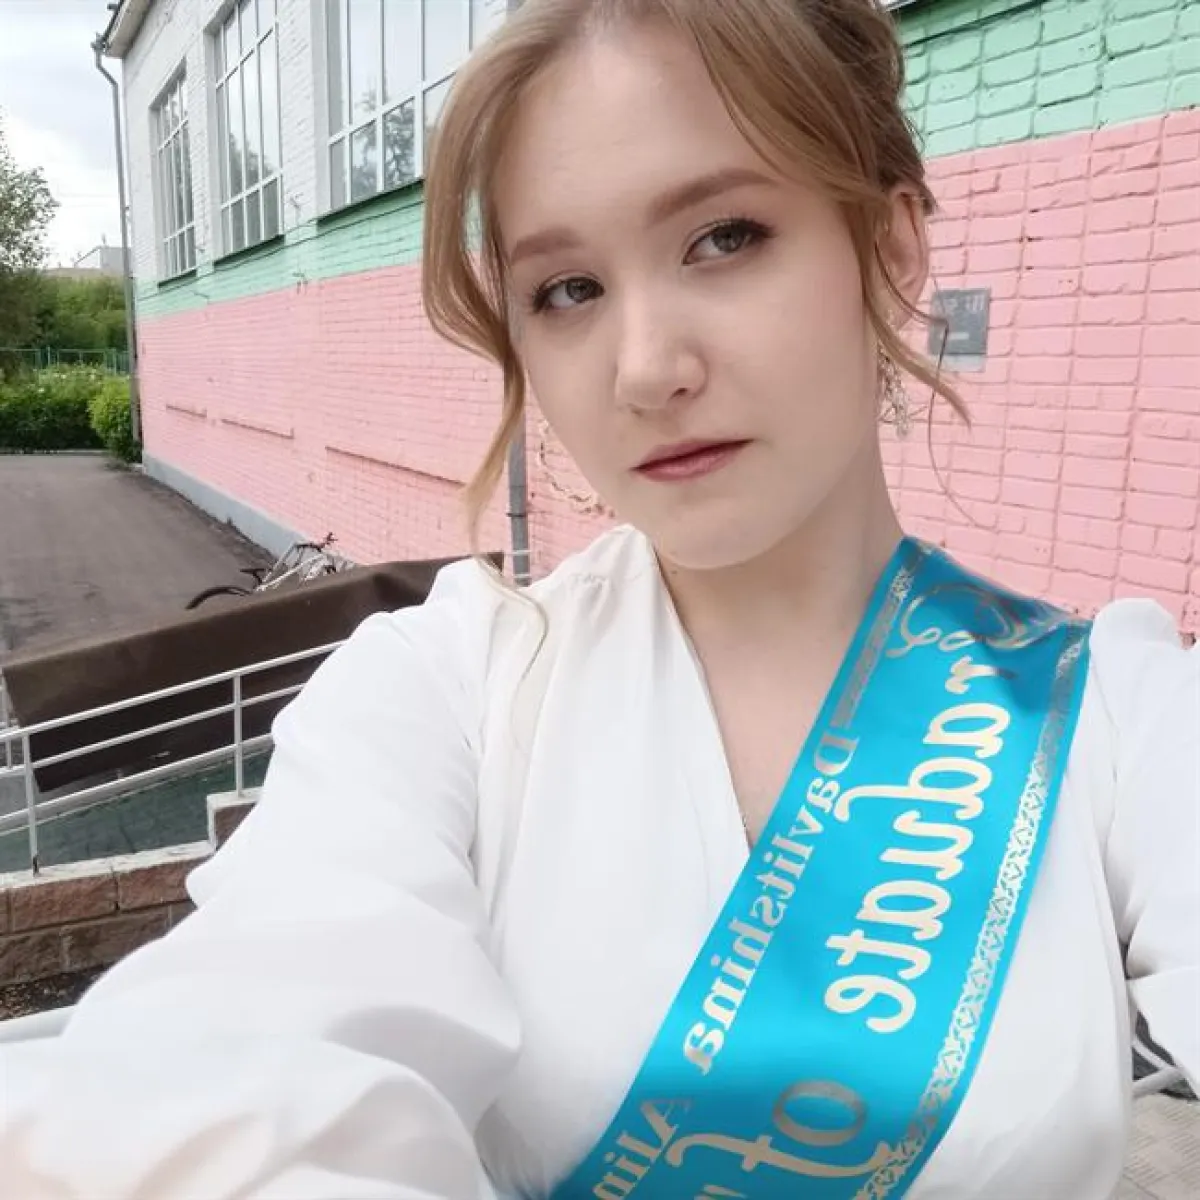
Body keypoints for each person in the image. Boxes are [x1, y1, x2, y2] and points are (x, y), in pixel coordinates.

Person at [1, 1, 1196, 1197]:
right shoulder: (449, 695)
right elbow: (240, 1061)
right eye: (567, 290)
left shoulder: (1116, 718)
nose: (644, 369)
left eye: (724, 237)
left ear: (886, 249)